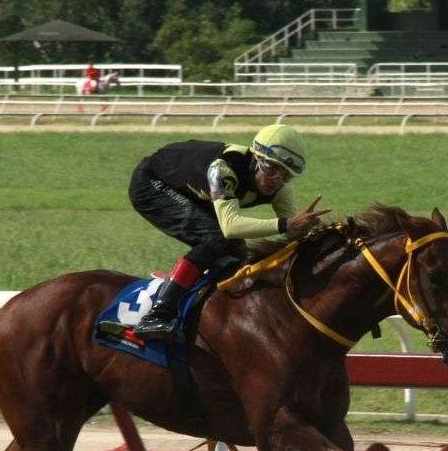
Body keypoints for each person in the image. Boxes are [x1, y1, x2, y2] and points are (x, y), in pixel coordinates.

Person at [127, 123, 329, 343]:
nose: (277, 180)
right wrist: (286, 224)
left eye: (286, 175)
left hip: (194, 192)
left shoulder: (281, 189)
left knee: (237, 252)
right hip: (152, 183)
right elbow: (231, 226)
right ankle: (157, 314)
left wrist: (315, 232)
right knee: (216, 239)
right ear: (255, 158)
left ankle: (201, 305)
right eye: (271, 170)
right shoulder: (223, 168)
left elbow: (294, 235)